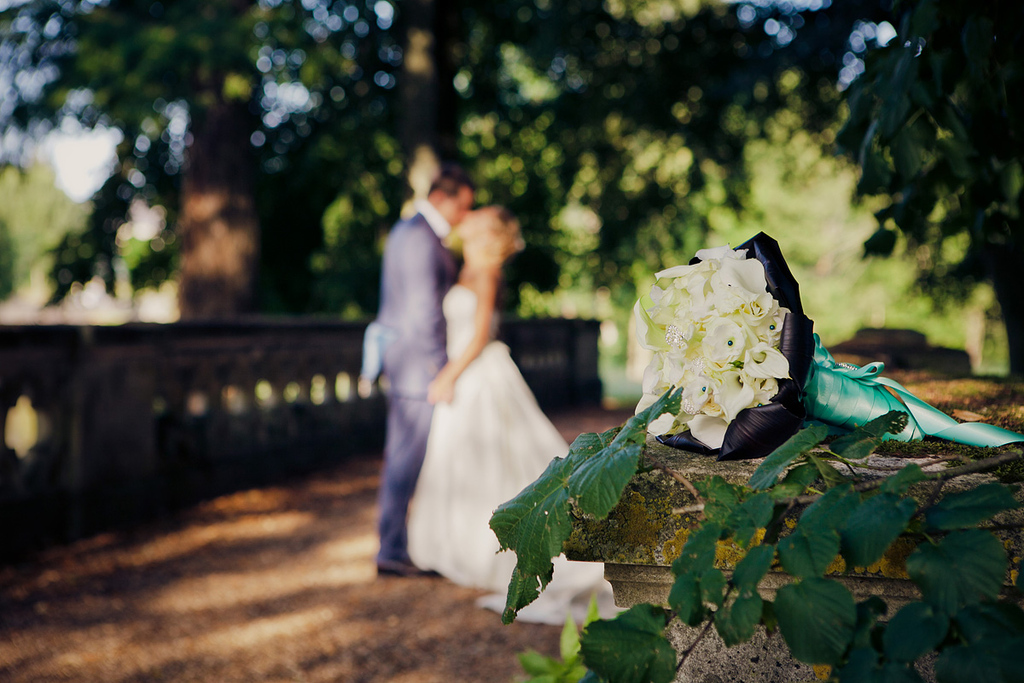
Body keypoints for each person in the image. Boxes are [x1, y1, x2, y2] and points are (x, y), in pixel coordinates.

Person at [406, 206, 617, 624]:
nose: (465, 218)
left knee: (498, 460)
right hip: (467, 374)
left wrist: (448, 374)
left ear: (487, 232)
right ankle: (461, 548)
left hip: (479, 373)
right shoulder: (466, 267)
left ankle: (507, 548)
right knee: (462, 460)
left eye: (476, 217)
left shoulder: (487, 273)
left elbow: (482, 333)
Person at [370, 164, 475, 577]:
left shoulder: (410, 230)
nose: (464, 216)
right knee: (404, 459)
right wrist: (440, 369)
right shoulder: (417, 236)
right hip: (419, 366)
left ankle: (398, 546)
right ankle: (391, 551)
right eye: (462, 207)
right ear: (443, 199)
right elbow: (423, 309)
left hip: (409, 362)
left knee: (405, 457)